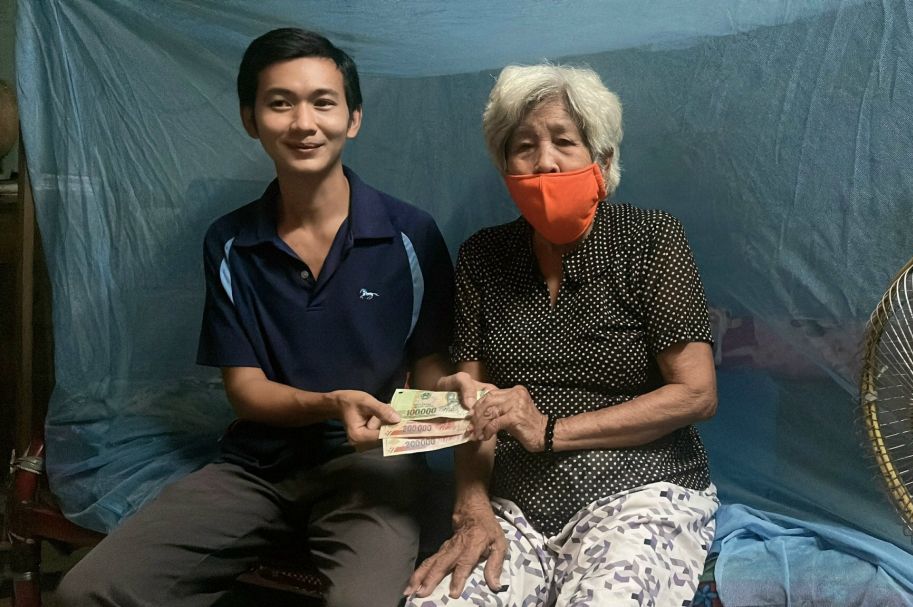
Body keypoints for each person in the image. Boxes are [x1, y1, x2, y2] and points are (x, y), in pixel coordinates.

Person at [57, 27, 455, 606]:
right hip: (256, 468)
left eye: (323, 102)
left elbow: (431, 368)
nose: (303, 123)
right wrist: (330, 403)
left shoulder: (411, 235)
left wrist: (448, 401)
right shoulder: (229, 241)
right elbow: (245, 390)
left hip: (371, 467)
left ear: (353, 118)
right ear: (251, 119)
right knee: (87, 591)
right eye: (280, 103)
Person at [405, 64, 720, 607]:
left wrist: (550, 430)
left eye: (564, 142)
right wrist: (472, 508)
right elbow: (471, 406)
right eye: (524, 146)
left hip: (639, 491)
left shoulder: (651, 239)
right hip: (514, 506)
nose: (544, 161)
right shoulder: (483, 256)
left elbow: (696, 394)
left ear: (603, 160)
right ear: (505, 166)